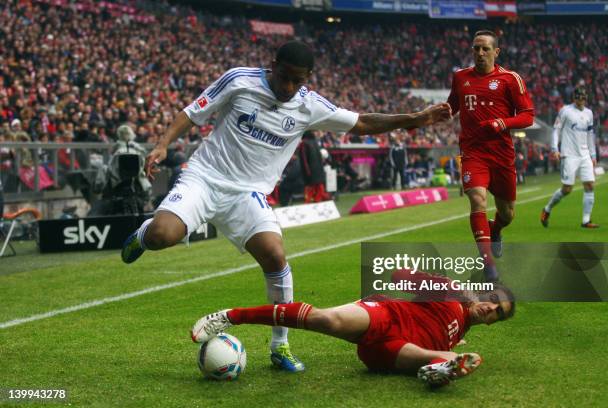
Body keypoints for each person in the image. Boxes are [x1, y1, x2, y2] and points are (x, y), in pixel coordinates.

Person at [121, 41, 452, 372]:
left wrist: (417, 118)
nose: (289, 87)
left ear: (308, 77)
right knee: (163, 235)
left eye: (298, 80)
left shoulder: (309, 105)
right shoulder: (239, 80)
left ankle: (280, 346)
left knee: (275, 256)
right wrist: (163, 145)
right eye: (284, 77)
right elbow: (192, 112)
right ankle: (145, 233)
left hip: (247, 194)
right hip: (204, 178)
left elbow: (362, 122)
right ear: (273, 65)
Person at [191, 270, 515, 387]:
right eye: (492, 300)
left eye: (496, 314)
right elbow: (398, 276)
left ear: (491, 322)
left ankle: (438, 368)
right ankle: (232, 316)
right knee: (325, 319)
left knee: (447, 354)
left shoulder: (459, 333)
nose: (490, 309)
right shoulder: (450, 291)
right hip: (384, 315)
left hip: (388, 353)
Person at [447, 30, 534, 282]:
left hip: (501, 154)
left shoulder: (510, 79)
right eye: (476, 48)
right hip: (473, 152)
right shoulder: (461, 77)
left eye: (485, 49)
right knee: (477, 200)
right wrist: (428, 116)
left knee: (507, 214)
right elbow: (452, 106)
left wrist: (502, 123)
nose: (480, 53)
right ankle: (488, 264)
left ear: (496, 52)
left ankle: (495, 230)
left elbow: (528, 115)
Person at [541, 87, 598, 228]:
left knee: (590, 185)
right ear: (574, 98)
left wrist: (593, 154)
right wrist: (555, 148)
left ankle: (586, 221)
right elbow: (556, 130)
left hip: (584, 154)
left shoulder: (589, 113)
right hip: (569, 155)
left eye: (584, 97)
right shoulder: (565, 111)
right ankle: (547, 209)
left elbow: (590, 135)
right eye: (579, 97)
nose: (581, 100)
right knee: (567, 189)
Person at [298, 131, 328, 202]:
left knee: (310, 191)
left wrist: (307, 172)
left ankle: (308, 203)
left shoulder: (304, 143)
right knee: (319, 189)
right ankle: (318, 201)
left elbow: (304, 160)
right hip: (319, 170)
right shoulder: (315, 142)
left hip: (310, 172)